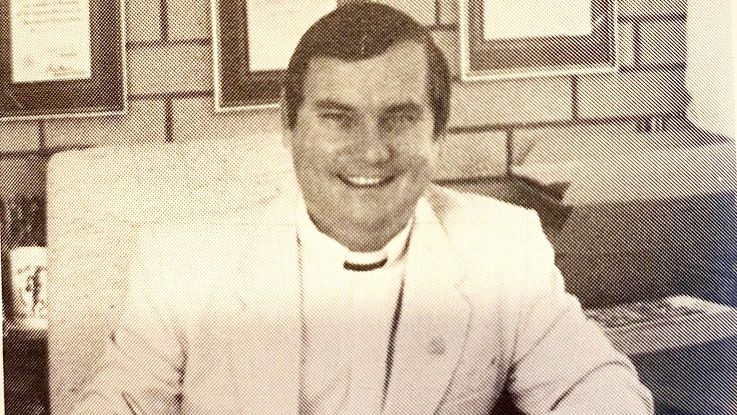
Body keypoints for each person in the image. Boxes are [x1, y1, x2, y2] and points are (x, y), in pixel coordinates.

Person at [71, 3, 653, 414]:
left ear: (438, 129)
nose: (372, 150)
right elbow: (117, 402)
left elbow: (593, 381)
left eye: (401, 117)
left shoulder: (502, 246)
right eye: (337, 117)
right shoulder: (186, 265)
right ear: (289, 127)